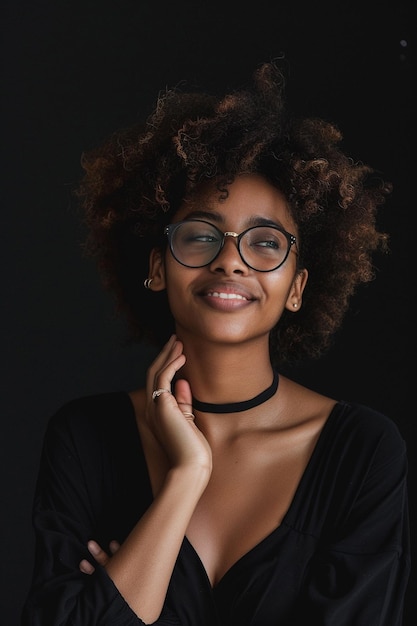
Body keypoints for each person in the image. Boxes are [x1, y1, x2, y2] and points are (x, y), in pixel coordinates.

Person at [21, 60, 410, 625]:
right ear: (158, 267)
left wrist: (119, 593)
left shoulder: (363, 452)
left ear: (297, 286)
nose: (230, 259)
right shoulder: (85, 440)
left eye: (266, 242)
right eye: (201, 236)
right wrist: (186, 477)